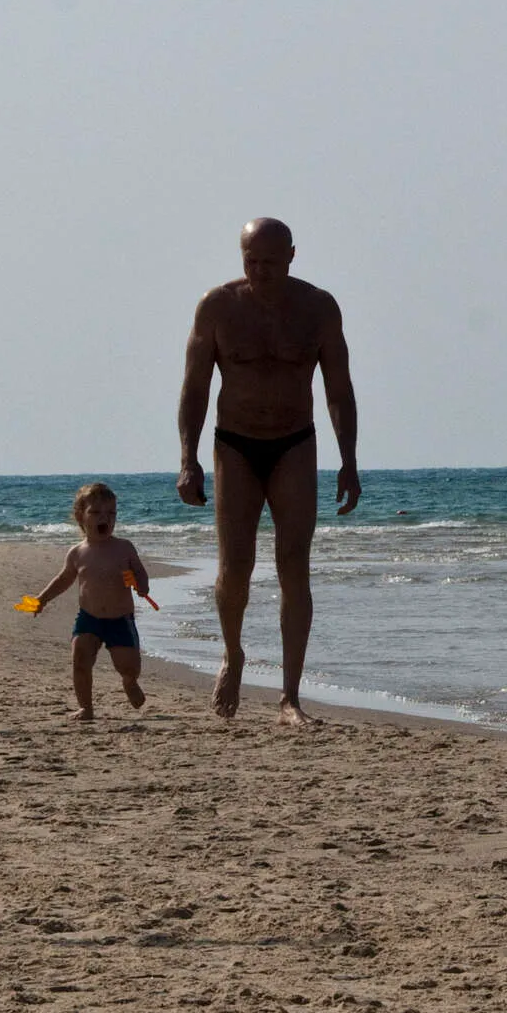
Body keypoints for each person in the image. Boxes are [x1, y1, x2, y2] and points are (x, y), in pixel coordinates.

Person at [176, 217, 361, 725]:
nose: (260, 271)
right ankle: (233, 654)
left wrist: (349, 460)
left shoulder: (318, 308)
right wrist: (188, 459)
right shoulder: (218, 307)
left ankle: (289, 697)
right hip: (234, 444)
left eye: (271, 262)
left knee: (293, 566)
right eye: (251, 261)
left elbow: (338, 389)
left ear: (293, 256)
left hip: (295, 443)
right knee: (235, 566)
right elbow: (194, 388)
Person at [27, 483, 152, 720]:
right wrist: (42, 599)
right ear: (80, 517)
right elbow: (64, 579)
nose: (105, 518)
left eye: (111, 513)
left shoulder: (123, 547)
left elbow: (140, 572)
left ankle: (129, 681)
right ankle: (86, 707)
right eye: (96, 513)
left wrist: (142, 586)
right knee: (80, 660)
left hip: (120, 619)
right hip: (89, 618)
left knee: (129, 666)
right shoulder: (77, 552)